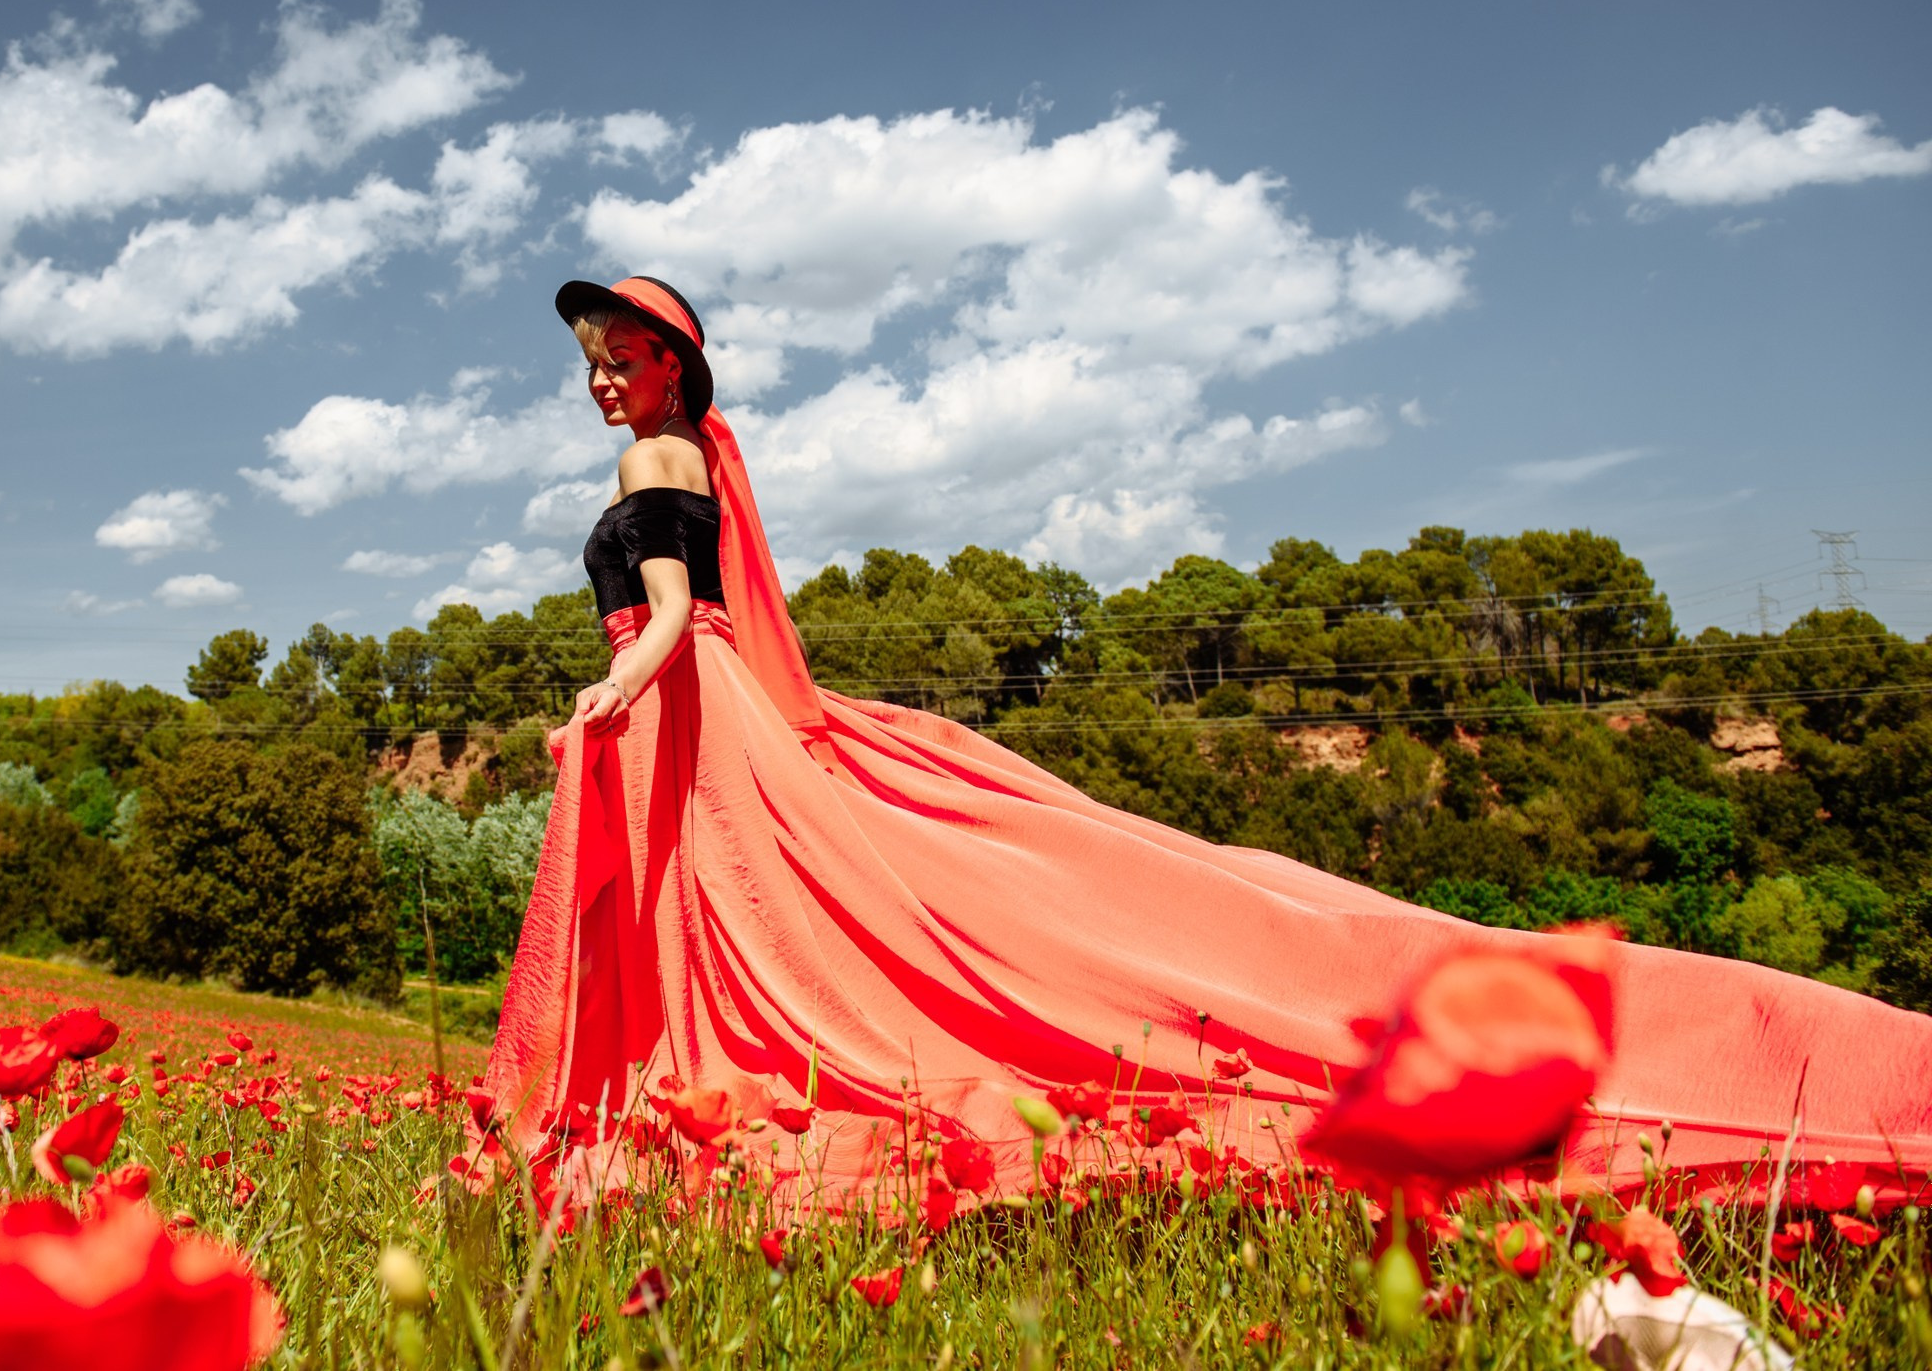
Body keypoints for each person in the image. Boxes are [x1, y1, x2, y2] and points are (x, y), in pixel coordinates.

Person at [475, 275, 1932, 1215]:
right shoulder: (681, 449)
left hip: (681, 703)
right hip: (688, 705)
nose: (605, 379)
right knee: (736, 925)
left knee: (748, 926)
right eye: (596, 363)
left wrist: (609, 693)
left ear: (672, 365)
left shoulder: (652, 460)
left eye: (622, 356)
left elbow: (672, 607)